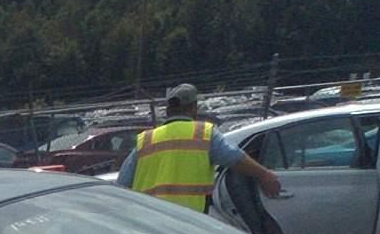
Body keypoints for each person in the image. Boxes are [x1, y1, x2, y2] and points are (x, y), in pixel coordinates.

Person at [118, 84, 281, 210]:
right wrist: (264, 175)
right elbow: (234, 157)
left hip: (150, 220)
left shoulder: (146, 140)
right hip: (189, 220)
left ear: (168, 110)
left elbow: (122, 184)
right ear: (194, 107)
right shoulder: (203, 133)